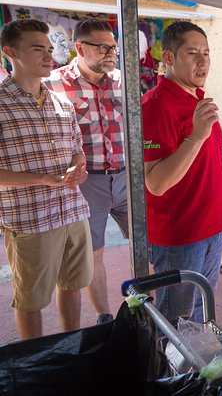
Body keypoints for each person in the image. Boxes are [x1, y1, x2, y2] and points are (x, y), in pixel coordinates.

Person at [0, 19, 92, 339]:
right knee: (31, 300)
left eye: (50, 49)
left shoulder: (61, 102)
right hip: (30, 218)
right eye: (37, 48)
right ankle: (35, 361)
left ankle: (71, 346)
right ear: (10, 52)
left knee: (73, 285)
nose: (48, 55)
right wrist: (42, 178)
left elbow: (77, 151)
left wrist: (78, 167)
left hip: (72, 210)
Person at [142, 21, 222, 326]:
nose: (202, 62)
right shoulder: (155, 105)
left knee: (201, 315)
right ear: (169, 57)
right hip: (179, 236)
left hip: (210, 226)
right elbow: (156, 183)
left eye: (206, 53)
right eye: (192, 53)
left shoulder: (197, 99)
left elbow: (207, 164)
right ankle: (169, 374)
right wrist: (195, 136)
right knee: (176, 321)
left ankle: (194, 373)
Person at [45, 18, 128, 325]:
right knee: (93, 254)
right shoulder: (52, 83)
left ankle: (147, 310)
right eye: (103, 47)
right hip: (86, 182)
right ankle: (104, 317)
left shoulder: (124, 80)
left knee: (150, 244)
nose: (111, 53)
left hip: (127, 178)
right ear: (80, 47)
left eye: (114, 47)